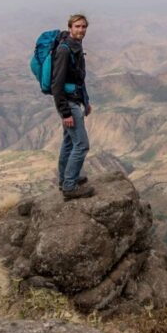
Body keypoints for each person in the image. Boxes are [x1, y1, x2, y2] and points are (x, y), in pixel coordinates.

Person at [53, 14, 94, 200]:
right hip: (68, 103)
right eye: (77, 26)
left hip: (75, 100)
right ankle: (69, 187)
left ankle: (65, 180)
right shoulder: (64, 50)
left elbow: (78, 78)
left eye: (84, 26)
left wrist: (86, 101)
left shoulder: (76, 46)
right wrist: (65, 112)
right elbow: (57, 84)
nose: (81, 30)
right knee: (82, 145)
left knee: (69, 142)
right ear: (70, 28)